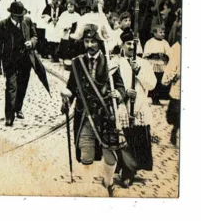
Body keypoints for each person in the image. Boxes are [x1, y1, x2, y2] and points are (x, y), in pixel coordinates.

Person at [60, 25, 126, 196]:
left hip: (105, 116)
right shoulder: (77, 63)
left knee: (109, 154)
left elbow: (120, 87)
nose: (89, 45)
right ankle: (88, 189)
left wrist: (117, 93)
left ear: (99, 43)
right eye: (87, 41)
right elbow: (72, 88)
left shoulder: (110, 64)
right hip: (85, 116)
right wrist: (67, 98)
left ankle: (108, 182)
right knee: (85, 153)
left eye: (93, 42)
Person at [115, 28, 157, 188]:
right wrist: (125, 93)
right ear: (123, 45)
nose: (131, 47)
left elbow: (151, 84)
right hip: (123, 106)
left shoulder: (143, 63)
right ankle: (126, 171)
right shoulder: (116, 63)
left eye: (133, 44)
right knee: (124, 138)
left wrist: (138, 71)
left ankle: (133, 169)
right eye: (128, 44)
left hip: (139, 105)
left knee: (138, 138)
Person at [0, 1, 38, 126]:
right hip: (10, 60)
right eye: (19, 16)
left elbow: (35, 36)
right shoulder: (3, 24)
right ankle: (9, 116)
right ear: (12, 15)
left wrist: (31, 42)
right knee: (11, 87)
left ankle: (18, 108)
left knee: (22, 86)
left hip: (25, 60)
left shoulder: (27, 21)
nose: (21, 17)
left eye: (22, 15)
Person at [143, 24, 172, 105]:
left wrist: (164, 55)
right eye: (160, 32)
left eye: (163, 32)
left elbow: (169, 54)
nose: (163, 34)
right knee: (153, 81)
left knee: (160, 82)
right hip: (152, 65)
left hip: (162, 66)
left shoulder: (165, 43)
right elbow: (145, 54)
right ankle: (153, 97)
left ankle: (159, 97)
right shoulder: (150, 42)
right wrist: (154, 54)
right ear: (154, 33)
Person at [162, 35, 181, 146]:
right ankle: (175, 128)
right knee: (175, 109)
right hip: (178, 82)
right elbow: (172, 64)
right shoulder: (176, 48)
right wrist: (170, 77)